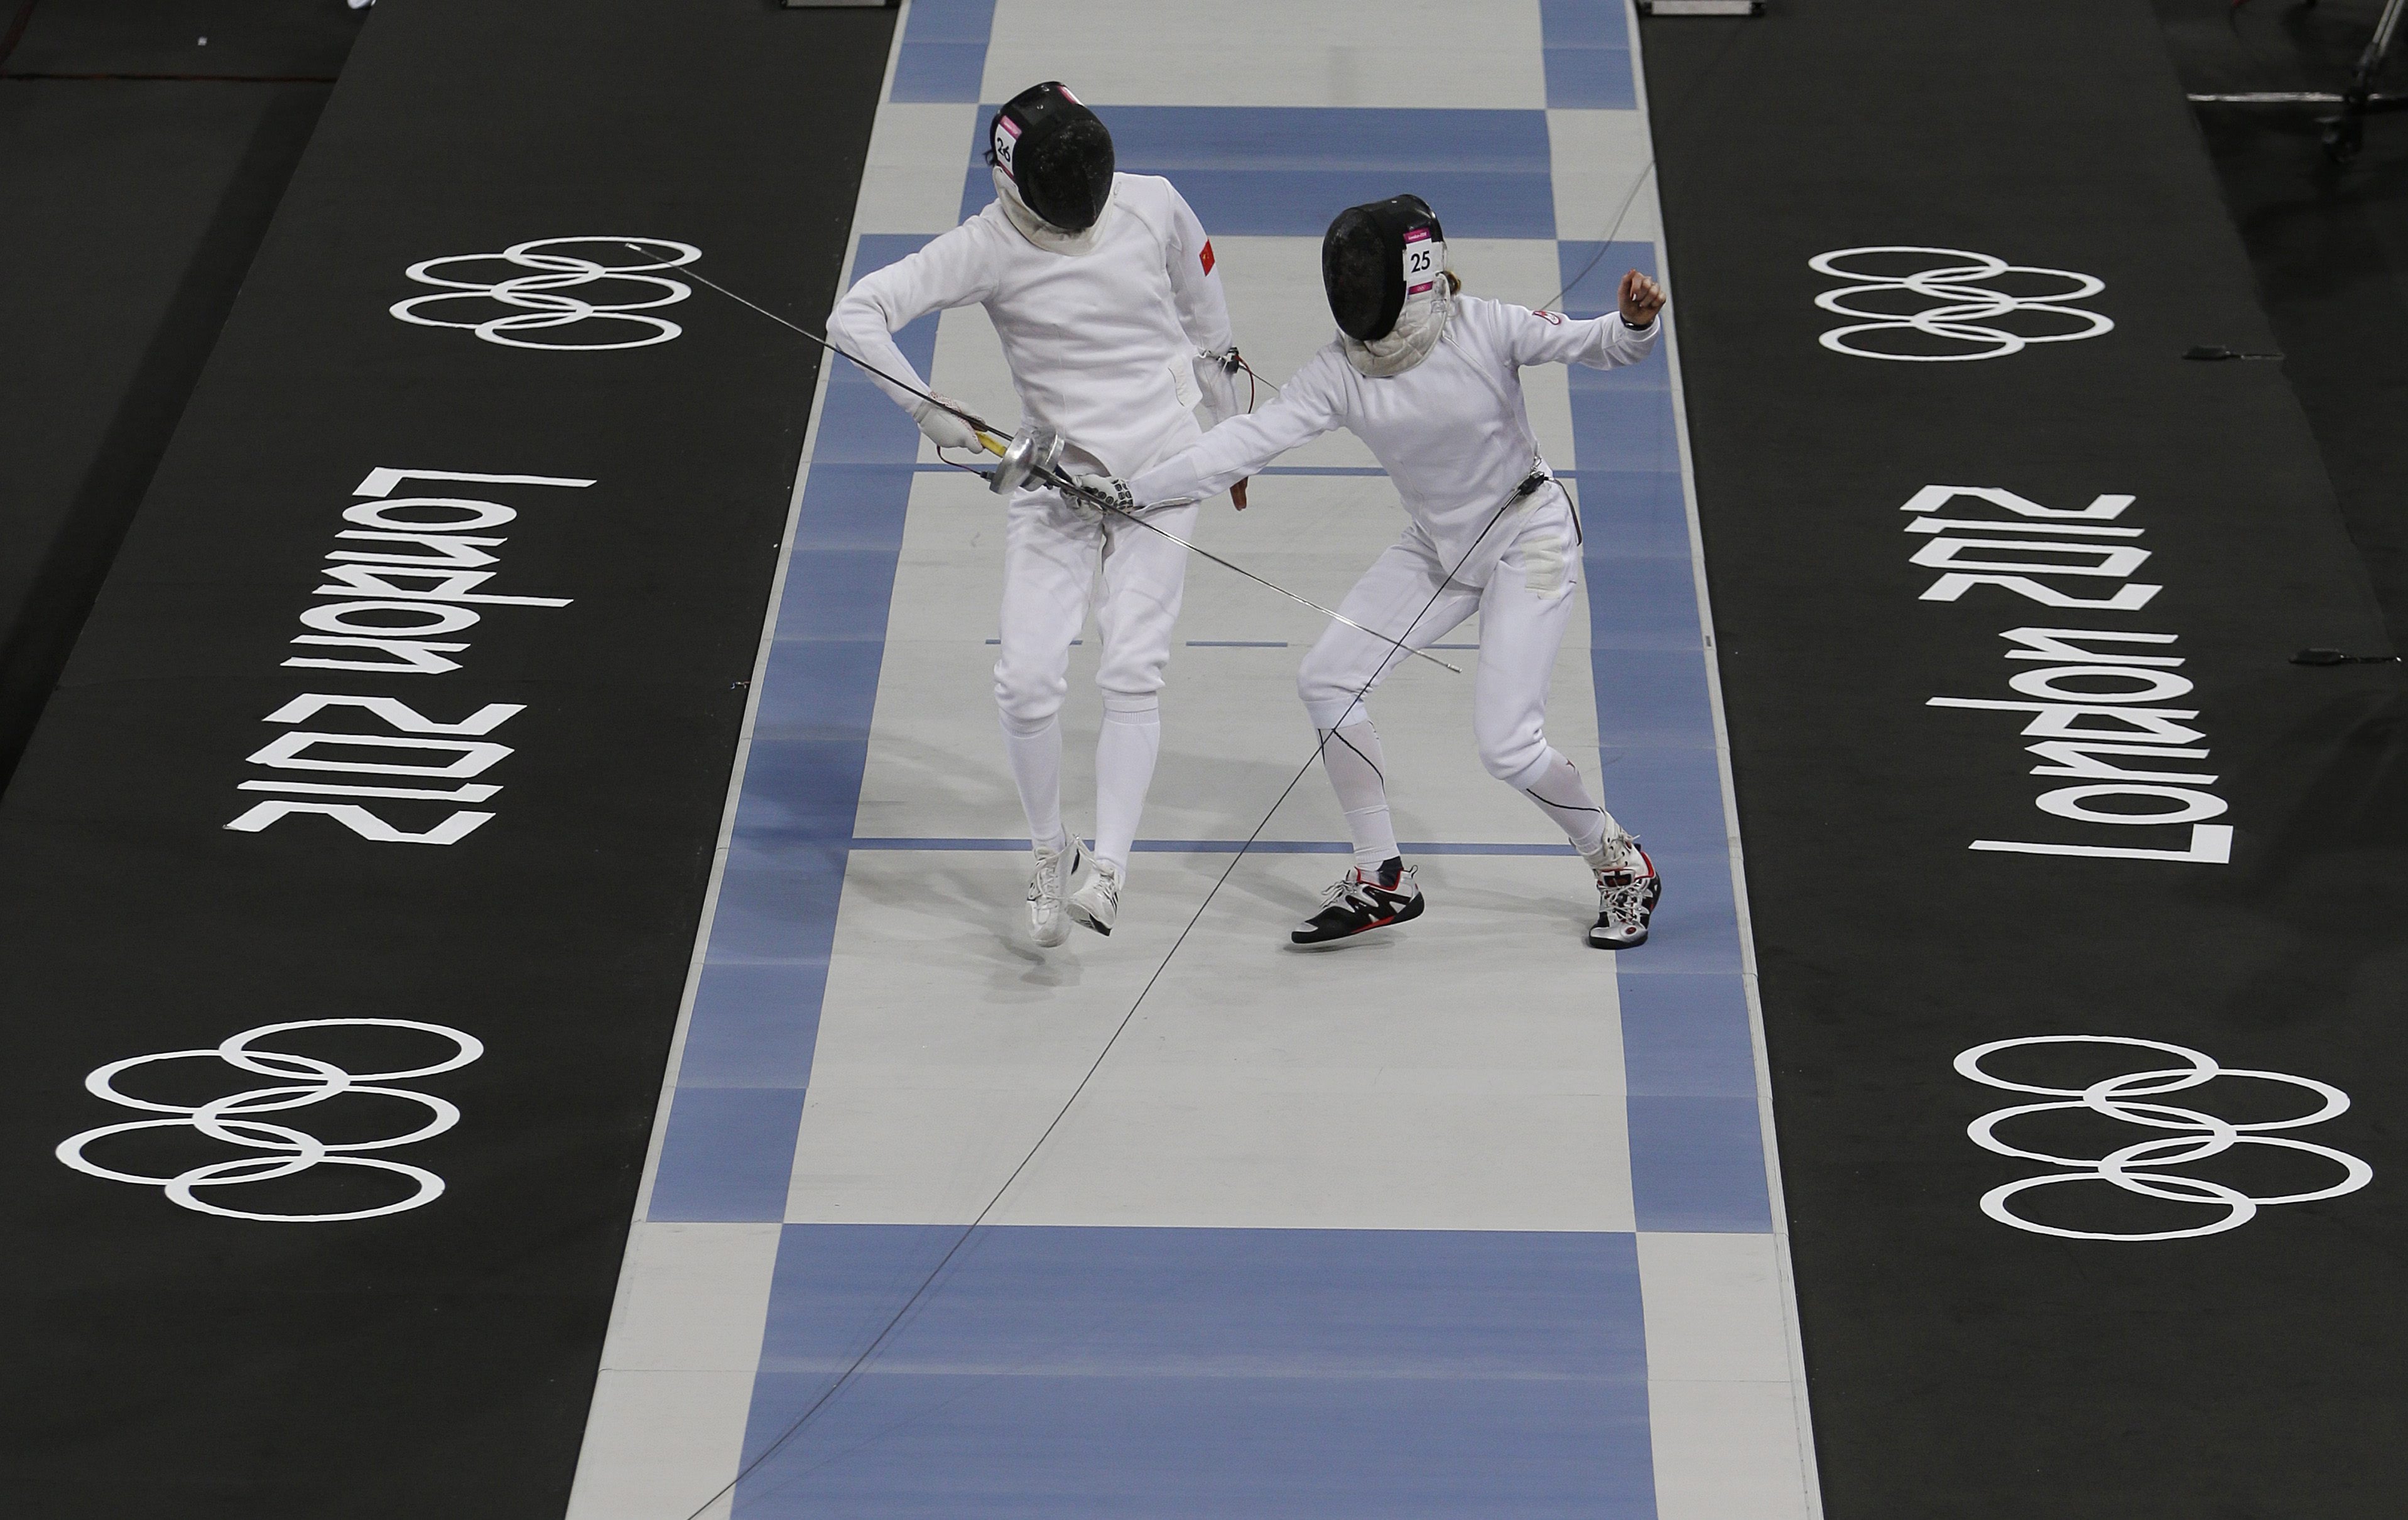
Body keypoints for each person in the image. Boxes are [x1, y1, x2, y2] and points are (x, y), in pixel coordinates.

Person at [1084, 194, 1668, 950]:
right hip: (1440, 546)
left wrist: (1634, 320)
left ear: (1412, 278)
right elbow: (1243, 443)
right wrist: (1134, 488)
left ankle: (1620, 864)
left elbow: (1605, 346)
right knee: (1328, 681)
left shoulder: (1485, 325)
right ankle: (1383, 876)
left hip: (1532, 536)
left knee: (1507, 744)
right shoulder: (1343, 371)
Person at [827, 82, 1249, 945]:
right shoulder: (985, 247)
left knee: (1133, 669)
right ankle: (1050, 849)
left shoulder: (1154, 203)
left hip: (1165, 465)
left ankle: (1113, 869)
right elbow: (855, 314)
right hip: (1056, 476)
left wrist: (1235, 433)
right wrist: (923, 406)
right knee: (1024, 684)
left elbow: (1211, 328)